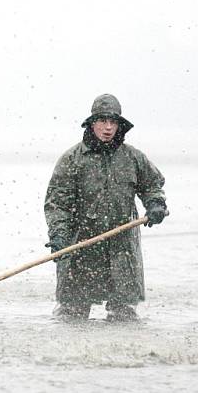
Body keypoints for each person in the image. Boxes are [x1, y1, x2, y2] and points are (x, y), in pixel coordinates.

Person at [44, 94, 167, 321]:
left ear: (120, 125)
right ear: (92, 123)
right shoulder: (72, 159)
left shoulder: (133, 158)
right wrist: (59, 235)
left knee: (124, 315)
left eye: (113, 122)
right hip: (80, 246)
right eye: (102, 121)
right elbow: (57, 203)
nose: (108, 127)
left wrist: (155, 204)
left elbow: (152, 185)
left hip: (121, 247)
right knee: (72, 314)